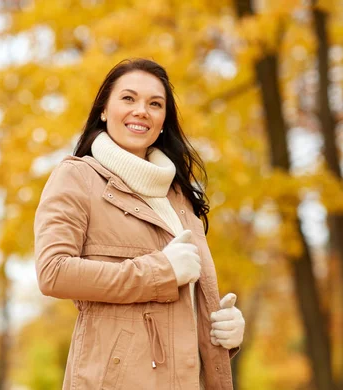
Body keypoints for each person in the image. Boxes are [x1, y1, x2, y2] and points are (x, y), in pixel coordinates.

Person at [34, 58, 245, 389]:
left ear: (163, 120)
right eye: (128, 98)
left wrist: (223, 332)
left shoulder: (181, 197)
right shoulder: (77, 177)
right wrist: (160, 271)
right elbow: (53, 272)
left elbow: (181, 308)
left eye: (155, 104)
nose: (141, 110)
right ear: (104, 109)